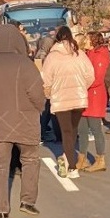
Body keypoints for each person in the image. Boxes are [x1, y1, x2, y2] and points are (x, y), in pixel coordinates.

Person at [0, 24, 47, 218]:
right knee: (30, 160)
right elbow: (38, 94)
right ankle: (28, 201)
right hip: (26, 120)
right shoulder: (25, 64)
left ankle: (2, 208)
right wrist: (38, 108)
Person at [41, 26, 93, 177]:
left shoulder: (52, 57)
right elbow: (90, 75)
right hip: (79, 98)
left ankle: (72, 166)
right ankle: (68, 156)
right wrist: (82, 88)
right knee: (73, 129)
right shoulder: (79, 54)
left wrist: (49, 93)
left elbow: (46, 80)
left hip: (61, 99)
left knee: (66, 132)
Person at [78, 31, 110, 172]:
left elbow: (98, 78)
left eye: (87, 39)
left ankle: (100, 159)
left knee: (96, 129)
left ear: (93, 41)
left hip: (95, 96)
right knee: (82, 129)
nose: (84, 41)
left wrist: (81, 84)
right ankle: (82, 158)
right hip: (85, 95)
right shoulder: (87, 54)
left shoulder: (101, 55)